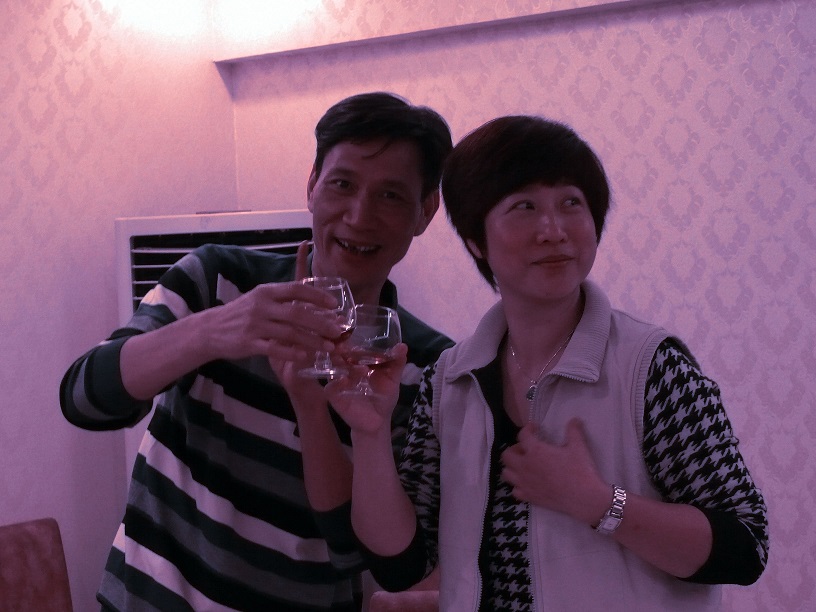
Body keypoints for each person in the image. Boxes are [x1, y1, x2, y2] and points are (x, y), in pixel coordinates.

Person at [326, 116, 769, 610]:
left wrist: (599, 502)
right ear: (476, 240)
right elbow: (402, 565)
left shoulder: (652, 367)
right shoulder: (450, 380)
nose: (553, 230)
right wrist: (369, 434)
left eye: (571, 203)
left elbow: (745, 546)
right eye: (525, 206)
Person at [59, 92, 454, 611]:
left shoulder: (424, 366)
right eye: (342, 184)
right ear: (311, 185)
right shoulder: (217, 279)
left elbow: (376, 562)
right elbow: (84, 398)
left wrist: (324, 412)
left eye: (391, 196)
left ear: (426, 211)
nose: (360, 216)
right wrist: (213, 330)